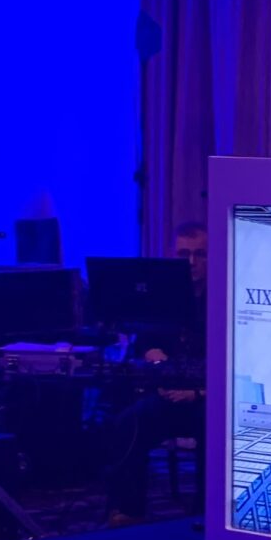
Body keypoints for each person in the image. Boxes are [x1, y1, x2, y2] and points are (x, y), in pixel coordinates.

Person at [102, 221, 207, 523]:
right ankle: (127, 512)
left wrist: (197, 392)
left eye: (200, 254)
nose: (192, 262)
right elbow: (146, 343)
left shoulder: (225, 297)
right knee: (128, 422)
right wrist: (155, 357)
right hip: (167, 395)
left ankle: (204, 514)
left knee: (215, 431)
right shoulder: (162, 298)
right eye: (184, 254)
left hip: (208, 399)